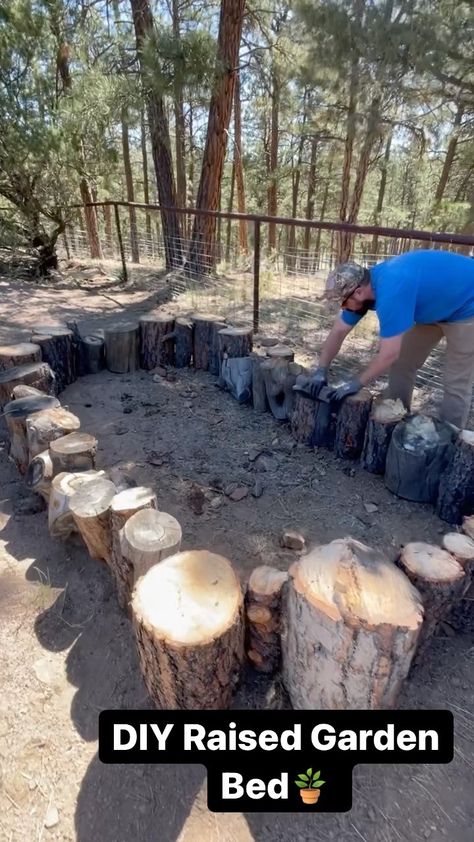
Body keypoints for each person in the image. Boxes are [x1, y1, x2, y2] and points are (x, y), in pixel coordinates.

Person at [310, 249, 474, 429]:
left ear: (358, 293)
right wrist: (321, 369)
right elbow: (338, 332)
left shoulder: (391, 292)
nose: (343, 308)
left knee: (456, 382)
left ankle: (448, 441)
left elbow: (388, 354)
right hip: (436, 304)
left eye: (343, 302)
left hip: (468, 306)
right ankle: (396, 418)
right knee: (403, 362)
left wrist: (356, 384)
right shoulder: (367, 287)